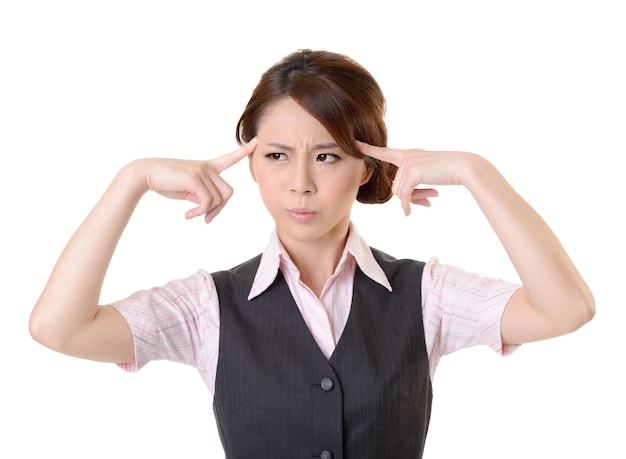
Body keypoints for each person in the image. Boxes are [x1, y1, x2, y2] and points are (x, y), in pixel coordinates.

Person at [29, 49, 595, 458]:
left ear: (367, 165)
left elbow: (565, 309)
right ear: (251, 165)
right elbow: (58, 329)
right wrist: (130, 180)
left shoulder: (427, 295)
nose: (299, 182)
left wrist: (476, 171)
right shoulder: (208, 306)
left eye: (327, 156)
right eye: (276, 155)